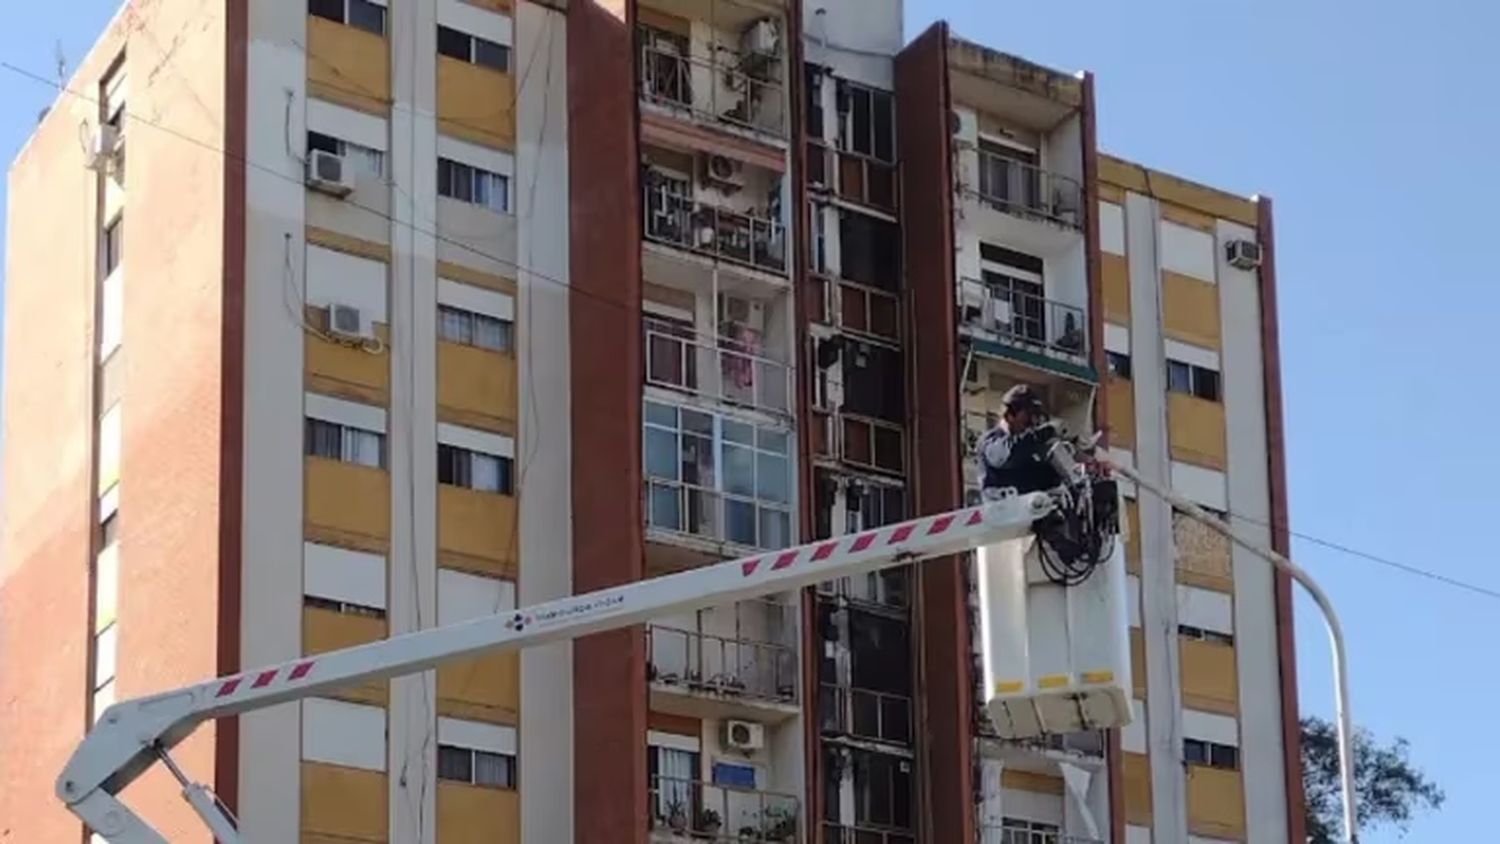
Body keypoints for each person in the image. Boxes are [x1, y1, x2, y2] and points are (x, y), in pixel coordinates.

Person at [977, 384, 1056, 497]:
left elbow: (1045, 478)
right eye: (1029, 415)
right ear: (1010, 415)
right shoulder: (990, 441)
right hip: (1003, 511)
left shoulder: (1030, 447)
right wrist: (1038, 436)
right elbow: (1006, 457)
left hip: (1033, 510)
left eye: (1037, 415)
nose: (1034, 421)